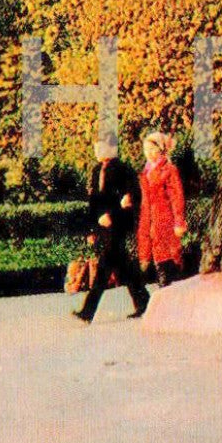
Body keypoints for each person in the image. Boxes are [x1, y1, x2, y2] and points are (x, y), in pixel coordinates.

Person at [72, 138, 150, 323]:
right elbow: (93, 202)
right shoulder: (96, 171)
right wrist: (92, 228)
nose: (97, 151)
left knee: (104, 266)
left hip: (119, 225)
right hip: (103, 226)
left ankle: (87, 312)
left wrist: (113, 216)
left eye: (101, 147)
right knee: (124, 266)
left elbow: (131, 200)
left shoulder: (124, 170)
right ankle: (144, 302)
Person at [137, 130, 188, 286]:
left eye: (153, 149)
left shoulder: (169, 169)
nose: (150, 153)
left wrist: (179, 221)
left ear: (161, 149)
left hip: (164, 220)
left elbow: (176, 196)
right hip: (149, 220)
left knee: (166, 258)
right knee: (153, 257)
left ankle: (166, 294)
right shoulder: (145, 171)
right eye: (147, 150)